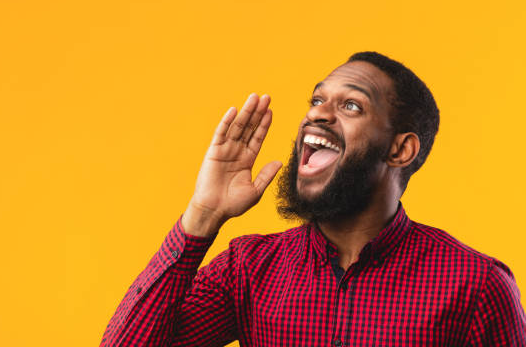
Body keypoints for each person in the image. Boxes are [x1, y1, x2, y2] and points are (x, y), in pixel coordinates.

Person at [99, 51, 526, 346]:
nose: (317, 114)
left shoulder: (475, 285)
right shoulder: (249, 268)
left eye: (352, 106)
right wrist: (202, 214)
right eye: (318, 99)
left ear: (400, 150)